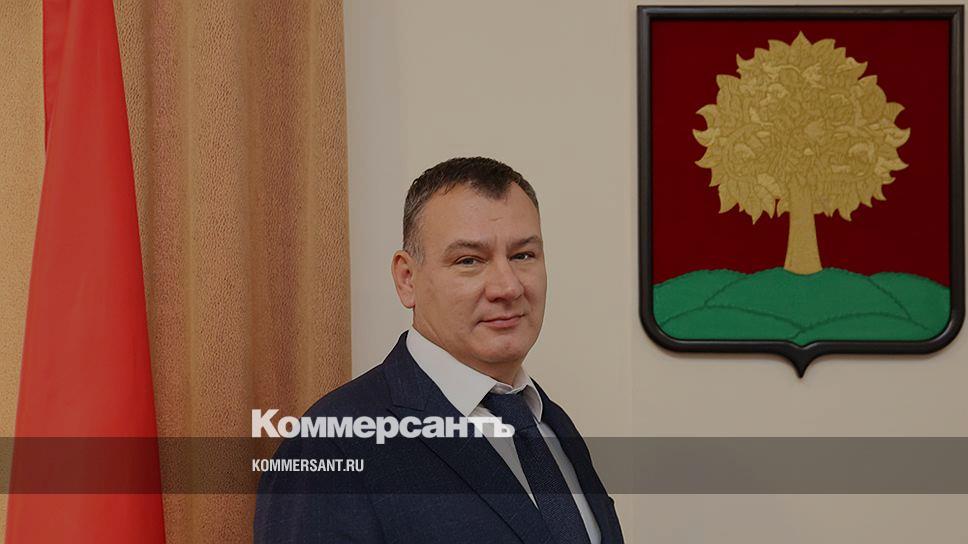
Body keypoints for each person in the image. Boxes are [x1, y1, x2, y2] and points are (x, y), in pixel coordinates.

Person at [254, 157, 624, 543]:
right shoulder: (329, 449)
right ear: (407, 279)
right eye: (469, 261)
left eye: (523, 255)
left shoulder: (548, 424)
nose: (508, 287)